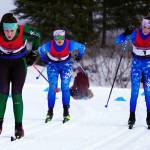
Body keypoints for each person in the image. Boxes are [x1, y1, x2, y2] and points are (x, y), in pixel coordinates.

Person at [0, 13, 40, 138]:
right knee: (2, 93)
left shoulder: (23, 30)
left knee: (16, 94)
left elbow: (37, 36)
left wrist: (33, 54)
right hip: (2, 63)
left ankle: (19, 127)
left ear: (16, 28)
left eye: (12, 30)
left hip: (19, 63)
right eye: (6, 30)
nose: (9, 33)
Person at [38, 29, 85, 123]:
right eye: (57, 38)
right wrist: (45, 59)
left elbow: (82, 47)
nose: (59, 40)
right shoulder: (49, 45)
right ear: (54, 38)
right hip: (52, 66)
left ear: (64, 37)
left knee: (65, 86)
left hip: (66, 65)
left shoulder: (69, 44)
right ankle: (50, 111)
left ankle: (66, 111)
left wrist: (79, 55)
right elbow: (40, 50)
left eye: (61, 38)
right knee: (52, 87)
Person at [115, 16, 150, 129]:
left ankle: (149, 117)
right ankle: (132, 116)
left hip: (148, 64)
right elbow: (118, 40)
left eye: (148, 27)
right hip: (137, 64)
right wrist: (126, 33)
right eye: (144, 26)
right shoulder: (135, 34)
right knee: (134, 90)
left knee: (148, 91)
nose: (146, 29)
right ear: (142, 25)